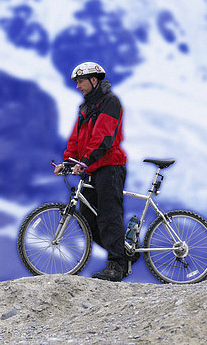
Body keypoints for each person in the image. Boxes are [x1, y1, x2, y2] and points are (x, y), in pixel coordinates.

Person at [54, 62, 127, 282]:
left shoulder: (110, 102)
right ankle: (123, 252)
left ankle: (117, 264)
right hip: (92, 169)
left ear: (94, 80)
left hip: (109, 167)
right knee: (87, 220)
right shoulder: (86, 108)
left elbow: (104, 137)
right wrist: (67, 162)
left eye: (80, 82)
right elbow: (76, 139)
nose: (77, 87)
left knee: (108, 215)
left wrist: (84, 161)